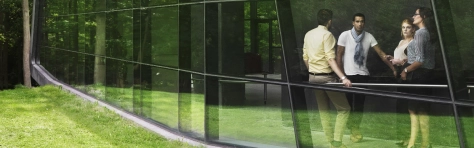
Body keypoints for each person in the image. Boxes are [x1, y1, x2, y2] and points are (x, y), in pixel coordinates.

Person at [336, 13, 396, 143]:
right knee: (348, 106)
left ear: (364, 23)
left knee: (359, 106)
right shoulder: (344, 35)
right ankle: (353, 130)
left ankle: (355, 130)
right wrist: (342, 76)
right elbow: (338, 56)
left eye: (362, 21)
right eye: (357, 21)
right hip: (348, 76)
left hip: (363, 75)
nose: (359, 24)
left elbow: (381, 54)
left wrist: (393, 68)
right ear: (353, 22)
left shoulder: (369, 36)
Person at [303, 9, 352, 148]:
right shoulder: (327, 35)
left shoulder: (308, 34)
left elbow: (305, 58)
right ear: (329, 21)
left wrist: (313, 72)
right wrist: (343, 77)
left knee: (323, 111)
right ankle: (336, 143)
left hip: (313, 78)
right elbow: (330, 59)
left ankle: (331, 142)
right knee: (344, 109)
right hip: (327, 78)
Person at [399, 7, 437, 148]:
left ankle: (415, 144)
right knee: (421, 110)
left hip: (419, 76)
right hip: (425, 75)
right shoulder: (427, 33)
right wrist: (406, 61)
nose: (413, 16)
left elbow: (420, 60)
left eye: (416, 14)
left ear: (424, 17)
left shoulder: (421, 33)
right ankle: (422, 143)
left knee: (414, 110)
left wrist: (406, 70)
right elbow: (424, 58)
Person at [384, 18, 416, 147]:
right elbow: (400, 58)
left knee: (408, 107)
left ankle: (410, 138)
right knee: (400, 107)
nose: (405, 30)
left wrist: (400, 62)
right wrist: (392, 59)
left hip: (408, 75)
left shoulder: (414, 42)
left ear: (413, 29)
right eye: (403, 27)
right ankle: (403, 136)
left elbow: (414, 61)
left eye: (408, 27)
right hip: (399, 76)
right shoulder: (401, 41)